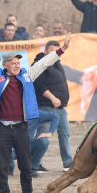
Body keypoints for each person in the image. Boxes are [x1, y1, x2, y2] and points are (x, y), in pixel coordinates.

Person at [0, 24, 71, 193]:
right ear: (5, 65)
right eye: (13, 63)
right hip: (2, 129)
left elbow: (44, 62)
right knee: (2, 168)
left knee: (25, 167)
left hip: (22, 129)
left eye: (18, 63)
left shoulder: (27, 75)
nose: (17, 65)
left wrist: (62, 49)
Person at [32, 40, 73, 171]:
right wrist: (53, 98)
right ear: (45, 51)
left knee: (65, 133)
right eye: (51, 50)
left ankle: (68, 163)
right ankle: (35, 164)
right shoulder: (40, 64)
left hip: (60, 108)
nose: (55, 53)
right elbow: (39, 85)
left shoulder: (57, 64)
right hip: (46, 106)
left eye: (57, 50)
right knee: (42, 135)